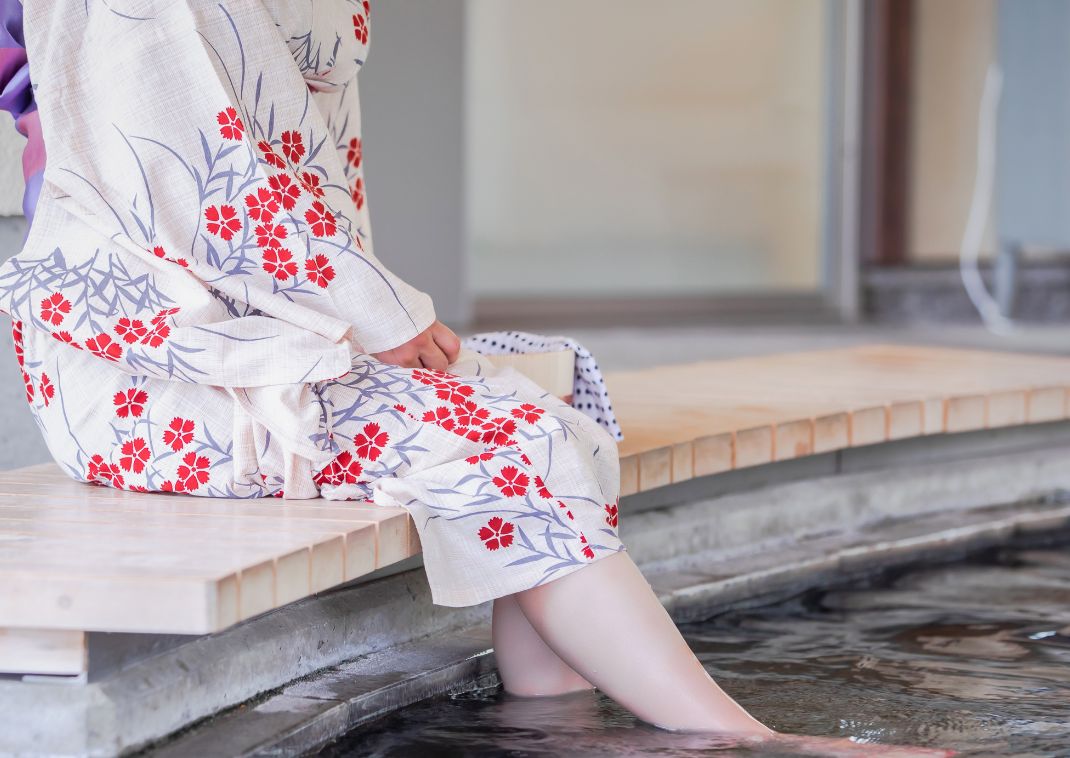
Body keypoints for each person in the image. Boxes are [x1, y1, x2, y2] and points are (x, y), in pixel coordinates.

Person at [0, 3, 951, 753]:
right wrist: (380, 315)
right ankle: (736, 741)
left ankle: (554, 717)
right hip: (153, 367)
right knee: (509, 440)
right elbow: (207, 199)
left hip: (267, 323)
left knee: (552, 383)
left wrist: (366, 315)